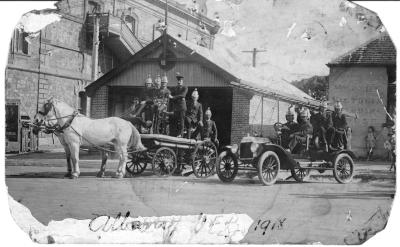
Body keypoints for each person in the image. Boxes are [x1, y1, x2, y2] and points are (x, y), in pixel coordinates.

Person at [169, 72, 188, 137]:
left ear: (182, 81)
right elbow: (171, 93)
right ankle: (175, 133)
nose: (179, 82)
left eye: (180, 81)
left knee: (181, 121)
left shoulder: (185, 88)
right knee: (175, 120)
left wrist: (173, 97)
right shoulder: (176, 88)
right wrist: (168, 93)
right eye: (178, 81)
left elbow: (183, 95)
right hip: (176, 107)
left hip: (182, 107)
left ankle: (181, 134)